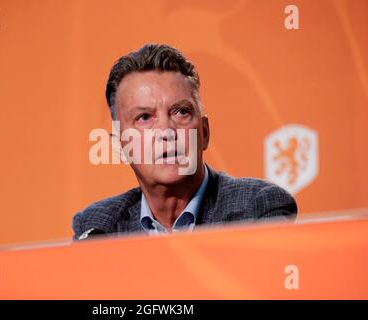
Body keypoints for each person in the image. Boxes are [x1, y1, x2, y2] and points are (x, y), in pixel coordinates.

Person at [72, 44, 297, 240]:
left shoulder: (258, 209)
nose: (166, 132)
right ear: (120, 147)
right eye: (144, 118)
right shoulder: (98, 229)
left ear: (205, 133)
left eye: (180, 112)